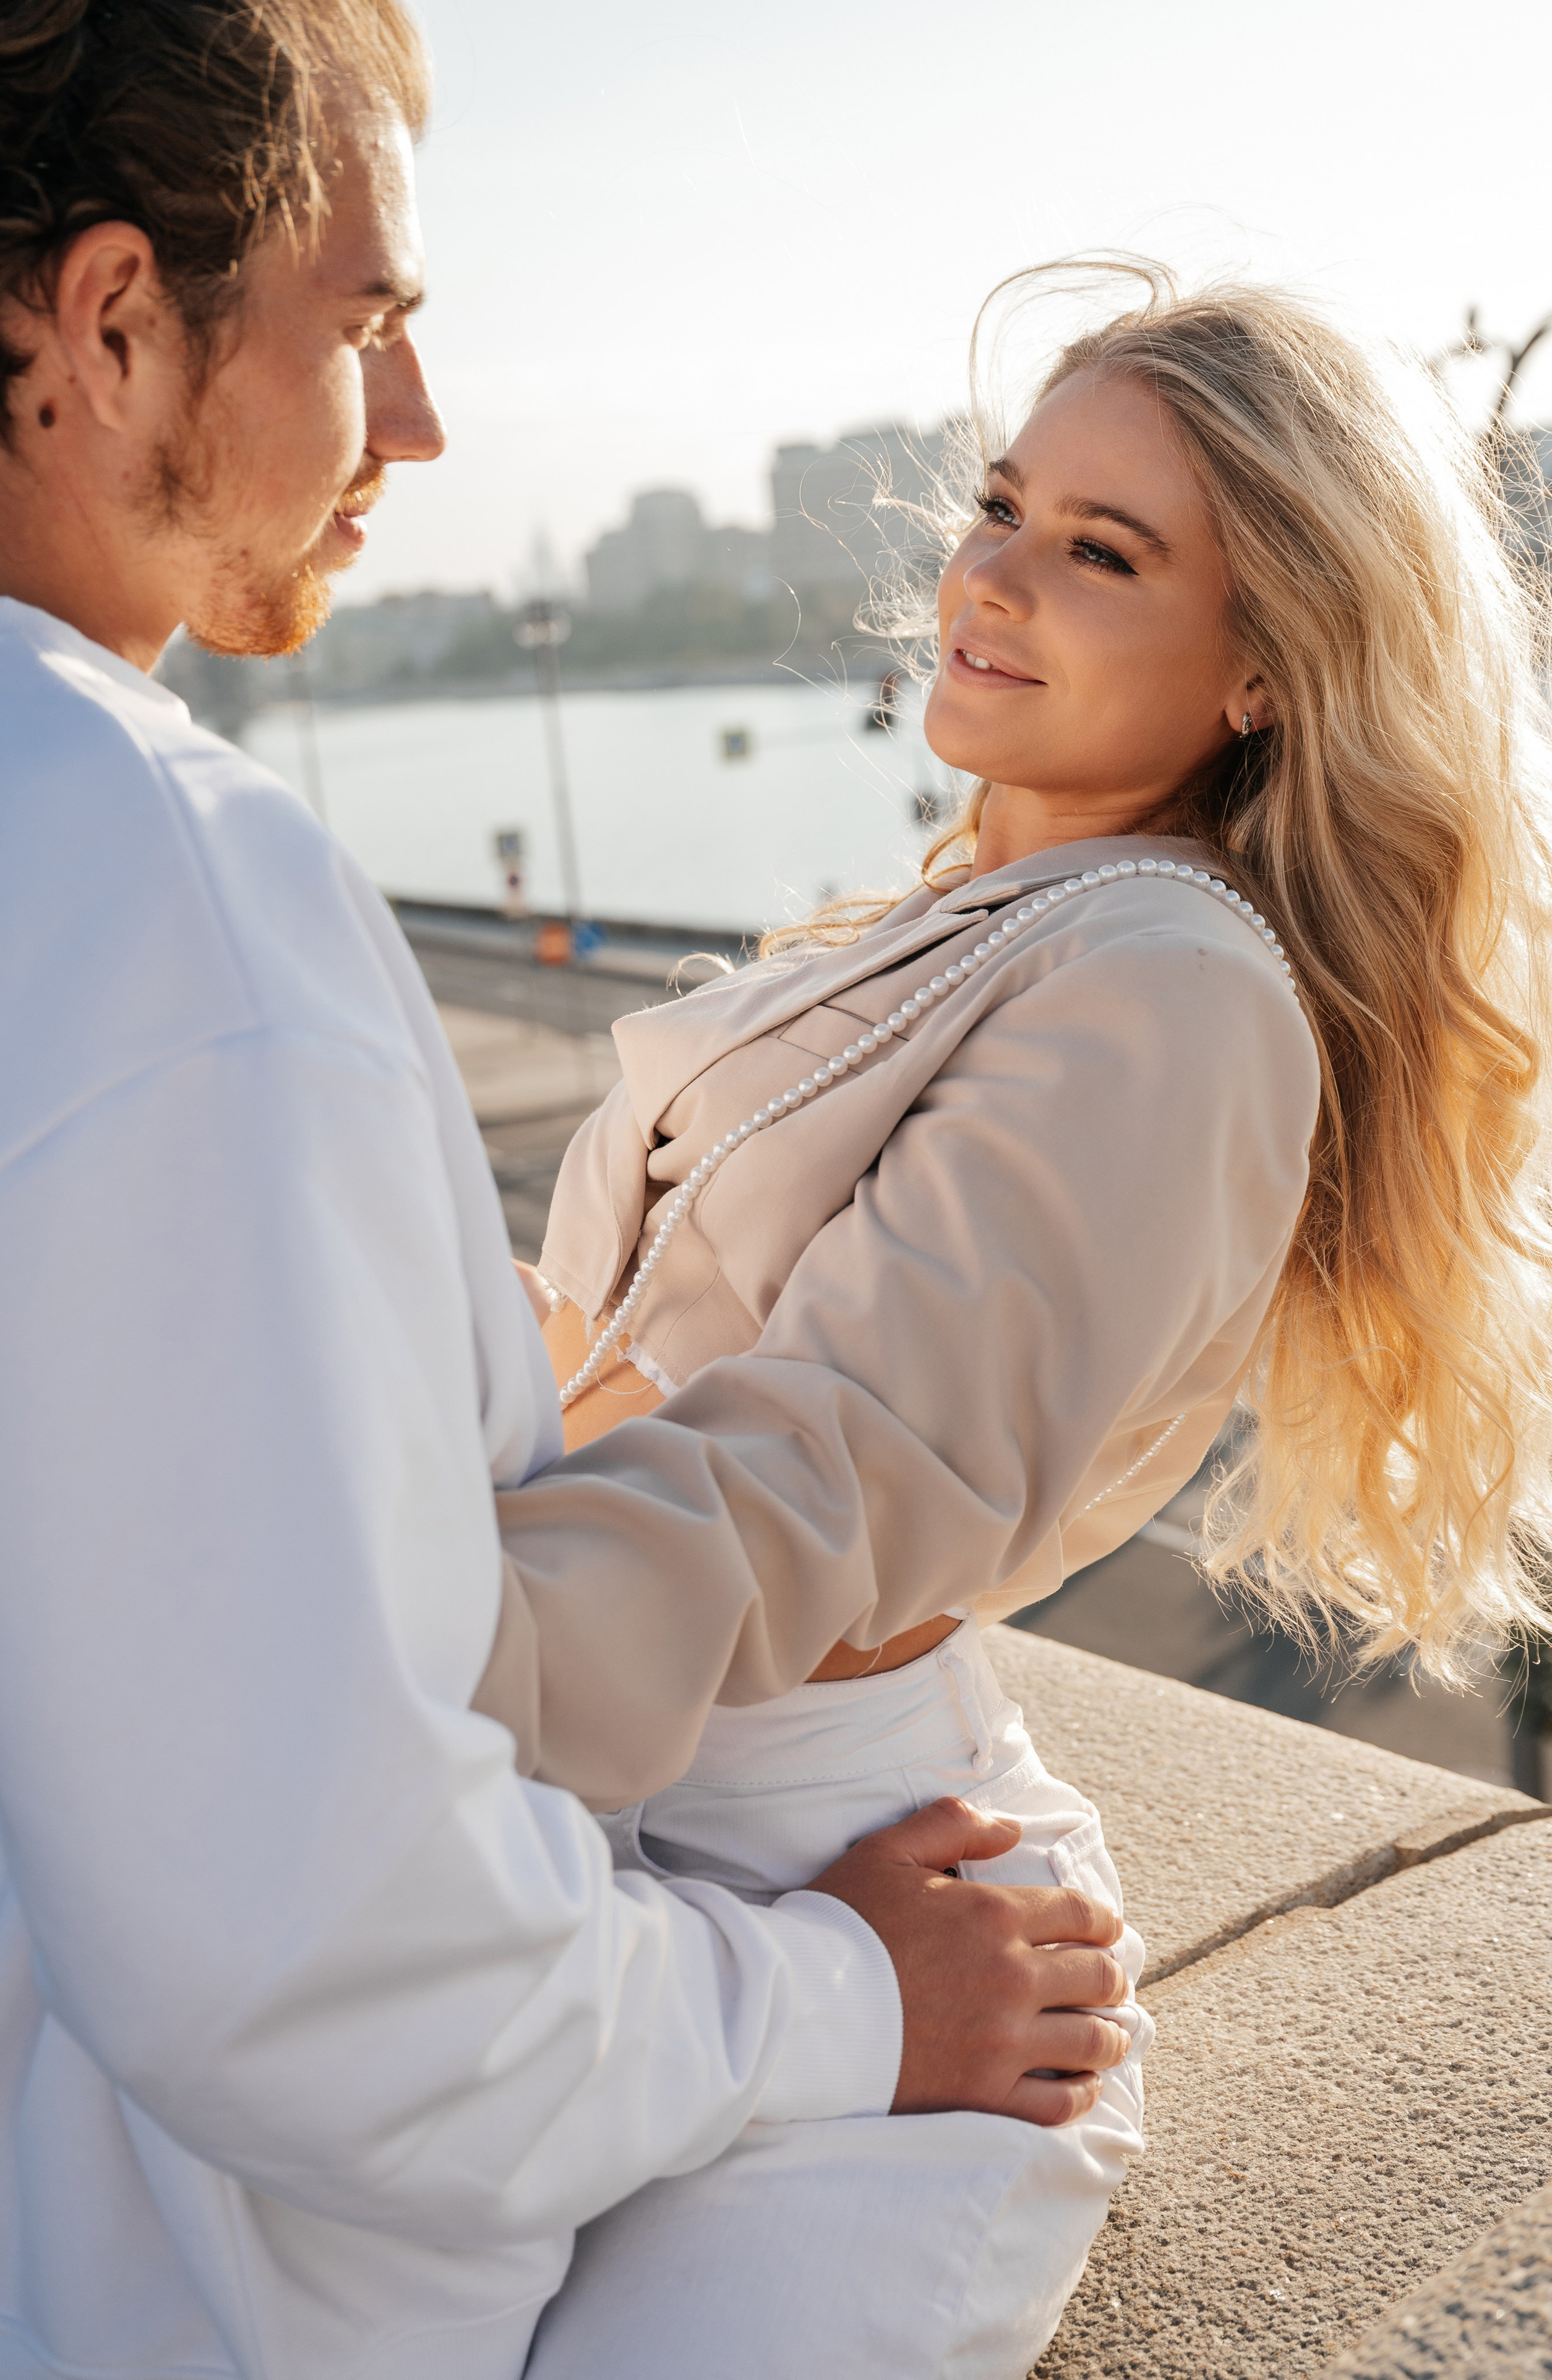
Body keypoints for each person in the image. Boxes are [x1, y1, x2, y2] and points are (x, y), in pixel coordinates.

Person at [0, 10, 1136, 2378]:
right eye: (368, 323)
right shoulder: (148, 873)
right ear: (109, 324)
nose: (413, 425)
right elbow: (314, 1959)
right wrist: (835, 2004)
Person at [478, 266, 1552, 2376]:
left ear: (1266, 668)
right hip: (640, 1816)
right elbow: (650, 1345)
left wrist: (370, 1703)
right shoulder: (968, 922)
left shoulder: (1173, 986)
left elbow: (829, 1473)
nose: (992, 575)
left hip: (850, 1907)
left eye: (1103, 551)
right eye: (1001, 504)